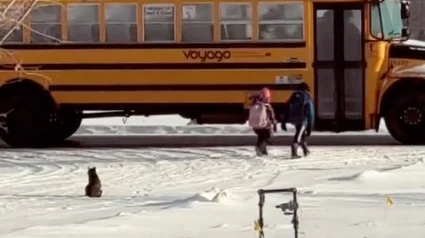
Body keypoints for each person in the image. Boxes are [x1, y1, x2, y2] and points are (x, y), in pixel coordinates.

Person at [281, 83, 314, 159]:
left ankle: (305, 150)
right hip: (303, 119)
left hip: (294, 118)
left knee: (301, 133)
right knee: (299, 134)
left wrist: (284, 121)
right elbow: (310, 113)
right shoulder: (307, 97)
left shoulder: (294, 96)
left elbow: (287, 108)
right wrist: (309, 126)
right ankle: (294, 152)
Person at [248, 88, 277, 156]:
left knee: (261, 137)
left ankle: (263, 152)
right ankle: (259, 148)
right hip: (265, 126)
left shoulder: (255, 104)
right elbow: (272, 117)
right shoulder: (267, 106)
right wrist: (275, 124)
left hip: (256, 127)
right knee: (266, 137)